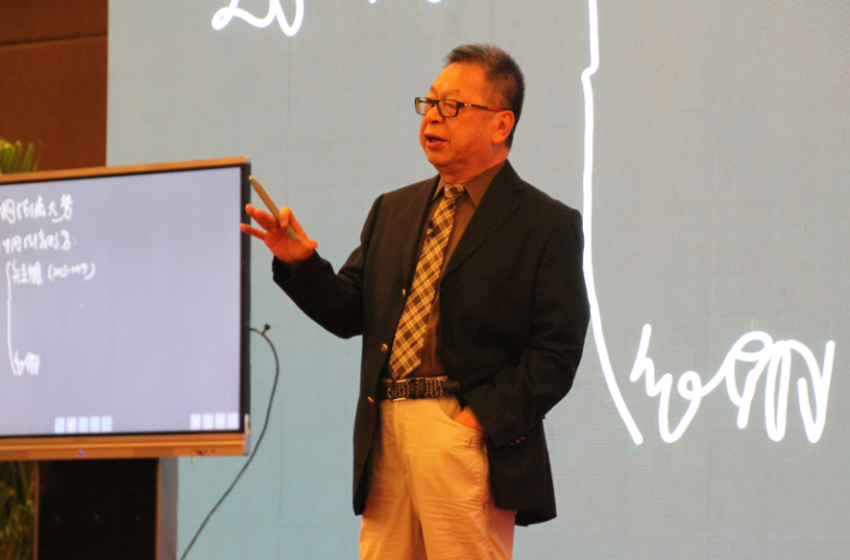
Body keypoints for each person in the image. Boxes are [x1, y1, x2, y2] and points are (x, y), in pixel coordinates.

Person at [241, 44, 590, 560]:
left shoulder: (545, 223)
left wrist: (476, 420)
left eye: (452, 106)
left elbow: (556, 352)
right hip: (386, 429)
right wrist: (300, 264)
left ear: (501, 124)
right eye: (428, 103)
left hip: (464, 432)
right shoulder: (394, 209)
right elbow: (349, 311)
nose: (433, 116)